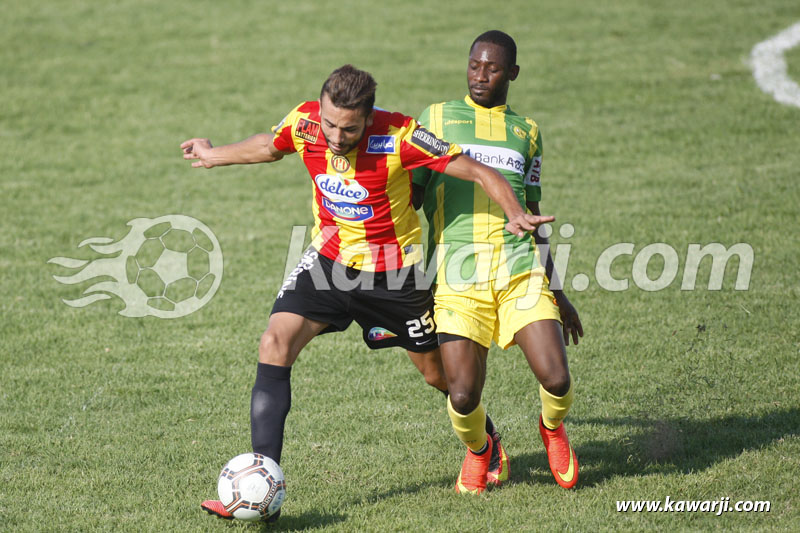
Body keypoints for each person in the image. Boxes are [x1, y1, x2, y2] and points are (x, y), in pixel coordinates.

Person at [181, 64, 554, 520]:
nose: (336, 137)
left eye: (349, 129)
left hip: (395, 279)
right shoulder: (305, 123)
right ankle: (265, 483)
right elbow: (269, 144)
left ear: (368, 116)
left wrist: (515, 211)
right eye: (329, 124)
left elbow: (476, 171)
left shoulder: (402, 135)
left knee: (441, 379)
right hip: (328, 263)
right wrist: (213, 154)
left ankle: (486, 442)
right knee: (273, 343)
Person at [412, 31, 584, 494]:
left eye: (491, 68)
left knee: (558, 377)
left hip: (518, 268)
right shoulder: (436, 118)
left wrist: (560, 292)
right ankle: (480, 450)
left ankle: (552, 429)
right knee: (463, 395)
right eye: (473, 65)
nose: (480, 75)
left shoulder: (527, 131)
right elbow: (411, 191)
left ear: (512, 73)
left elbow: (531, 215)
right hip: (456, 273)